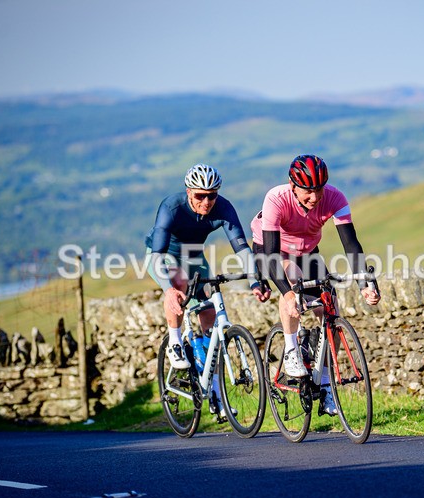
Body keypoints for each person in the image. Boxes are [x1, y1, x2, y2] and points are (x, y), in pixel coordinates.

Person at [251, 154, 380, 416]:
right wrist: (288, 294)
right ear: (293, 186)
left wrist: (364, 283)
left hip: (307, 249)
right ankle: (290, 349)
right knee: (294, 280)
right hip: (272, 249)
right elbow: (274, 257)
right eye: (308, 191)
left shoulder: (335, 198)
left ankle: (324, 384)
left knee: (329, 307)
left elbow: (351, 245)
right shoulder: (276, 198)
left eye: (318, 189)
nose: (314, 197)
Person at [145, 164, 270, 417]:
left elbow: (242, 248)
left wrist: (255, 281)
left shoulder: (223, 207)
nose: (206, 201)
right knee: (178, 283)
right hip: (163, 254)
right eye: (200, 195)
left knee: (211, 313)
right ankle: (175, 342)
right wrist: (169, 290)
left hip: (193, 255)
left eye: (211, 195)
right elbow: (157, 255)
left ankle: (213, 391)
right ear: (189, 192)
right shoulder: (171, 207)